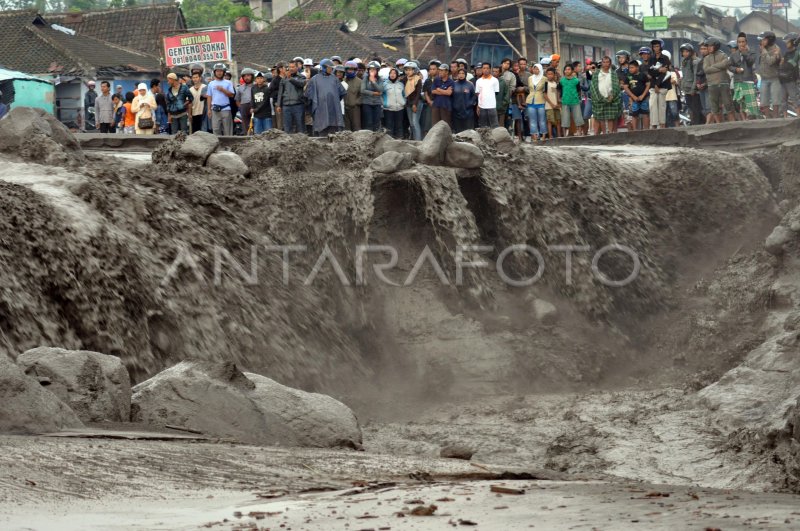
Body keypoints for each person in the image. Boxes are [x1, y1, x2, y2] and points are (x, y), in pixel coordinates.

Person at [307, 58, 346, 136]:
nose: (331, 69)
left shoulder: (334, 79)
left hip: (333, 109)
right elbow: (309, 96)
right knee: (322, 132)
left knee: (334, 132)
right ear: (324, 67)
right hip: (320, 109)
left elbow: (342, 92)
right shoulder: (314, 79)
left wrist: (333, 100)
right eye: (330, 67)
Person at [703, 37, 735, 123]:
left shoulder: (723, 55)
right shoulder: (706, 58)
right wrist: (719, 67)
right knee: (714, 108)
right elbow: (706, 70)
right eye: (708, 46)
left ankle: (733, 125)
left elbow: (725, 64)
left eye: (710, 46)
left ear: (716, 46)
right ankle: (719, 125)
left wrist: (712, 67)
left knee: (728, 105)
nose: (708, 48)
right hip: (711, 85)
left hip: (723, 83)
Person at [729, 33, 760, 120]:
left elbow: (750, 62)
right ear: (737, 43)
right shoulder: (733, 55)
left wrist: (744, 53)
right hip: (738, 81)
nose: (741, 44)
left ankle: (752, 121)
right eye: (739, 42)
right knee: (740, 104)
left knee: (751, 105)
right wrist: (736, 69)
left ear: (746, 43)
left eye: (743, 42)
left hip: (748, 81)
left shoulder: (752, 53)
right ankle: (744, 121)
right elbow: (729, 66)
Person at [590, 56, 622, 134]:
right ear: (601, 63)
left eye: (607, 62)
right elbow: (593, 87)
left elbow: (616, 86)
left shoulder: (613, 74)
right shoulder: (596, 73)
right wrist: (600, 98)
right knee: (600, 118)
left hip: (611, 98)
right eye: (604, 62)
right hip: (599, 99)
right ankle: (603, 134)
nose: (606, 64)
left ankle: (610, 133)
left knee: (611, 118)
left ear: (610, 63)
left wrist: (612, 96)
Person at [277, 61, 307, 134]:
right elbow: (280, 92)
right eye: (290, 67)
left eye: (293, 67)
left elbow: (301, 84)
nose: (291, 69)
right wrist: (278, 105)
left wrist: (290, 78)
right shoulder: (283, 79)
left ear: (297, 67)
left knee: (300, 127)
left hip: (298, 105)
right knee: (287, 128)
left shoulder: (301, 77)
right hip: (286, 106)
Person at [759, 30, 783, 118]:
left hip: (774, 78)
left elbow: (770, 62)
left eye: (764, 39)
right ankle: (768, 119)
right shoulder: (762, 48)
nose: (762, 41)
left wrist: (764, 51)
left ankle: (776, 118)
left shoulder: (776, 49)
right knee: (764, 100)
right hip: (764, 78)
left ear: (770, 40)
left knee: (775, 100)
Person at [623, 59, 650, 130]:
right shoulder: (628, 76)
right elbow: (625, 87)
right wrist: (633, 96)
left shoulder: (643, 75)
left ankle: (646, 130)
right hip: (634, 99)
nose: (630, 69)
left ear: (637, 67)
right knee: (634, 115)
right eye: (629, 68)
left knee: (645, 114)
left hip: (644, 98)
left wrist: (643, 95)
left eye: (632, 67)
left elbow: (648, 85)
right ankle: (635, 131)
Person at [680, 43, 703, 125]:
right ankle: (694, 123)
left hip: (693, 91)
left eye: (687, 51)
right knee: (690, 108)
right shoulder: (684, 62)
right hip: (686, 90)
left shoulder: (695, 62)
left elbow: (695, 76)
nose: (685, 53)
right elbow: (684, 76)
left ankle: (698, 125)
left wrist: (693, 89)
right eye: (683, 52)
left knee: (696, 108)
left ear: (691, 52)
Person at [382, 66, 406, 138]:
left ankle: (399, 140)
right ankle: (389, 141)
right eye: (391, 73)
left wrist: (403, 102)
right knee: (389, 126)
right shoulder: (384, 84)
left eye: (394, 73)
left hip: (399, 108)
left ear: (397, 75)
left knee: (399, 125)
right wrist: (384, 104)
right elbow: (380, 95)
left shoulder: (401, 84)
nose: (392, 75)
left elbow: (404, 95)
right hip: (388, 108)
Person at [649, 51, 672, 128]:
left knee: (662, 107)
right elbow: (651, 75)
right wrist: (655, 85)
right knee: (653, 107)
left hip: (662, 88)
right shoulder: (652, 63)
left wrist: (656, 85)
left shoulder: (667, 66)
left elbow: (664, 75)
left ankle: (662, 126)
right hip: (653, 88)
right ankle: (654, 125)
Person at [559, 64, 583, 135]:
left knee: (578, 117)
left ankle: (579, 133)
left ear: (572, 71)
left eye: (569, 69)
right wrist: (559, 99)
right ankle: (565, 135)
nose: (567, 71)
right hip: (565, 101)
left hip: (575, 101)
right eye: (566, 69)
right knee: (565, 119)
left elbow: (579, 91)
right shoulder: (562, 81)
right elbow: (559, 90)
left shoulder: (576, 80)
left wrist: (577, 98)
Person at [475, 62, 500, 129]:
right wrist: (478, 105)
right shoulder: (478, 81)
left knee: (494, 125)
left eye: (487, 68)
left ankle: (495, 139)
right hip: (482, 107)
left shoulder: (495, 80)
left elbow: (496, 93)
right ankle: (484, 139)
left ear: (490, 69)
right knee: (483, 126)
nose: (486, 70)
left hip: (492, 106)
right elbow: (478, 94)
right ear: (482, 69)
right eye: (484, 68)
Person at [360, 61, 384, 131]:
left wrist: (373, 82)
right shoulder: (365, 79)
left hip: (377, 103)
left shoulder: (380, 79)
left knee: (376, 122)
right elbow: (362, 90)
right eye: (370, 69)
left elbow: (381, 90)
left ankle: (376, 137)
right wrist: (373, 93)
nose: (372, 71)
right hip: (367, 103)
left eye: (374, 69)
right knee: (368, 122)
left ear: (377, 70)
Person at [780, 32, 799, 118]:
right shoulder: (787, 53)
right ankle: (785, 118)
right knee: (783, 100)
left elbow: (791, 64)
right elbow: (782, 64)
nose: (786, 44)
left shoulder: (797, 53)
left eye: (788, 42)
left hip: (792, 80)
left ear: (794, 42)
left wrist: (784, 64)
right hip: (784, 79)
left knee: (795, 100)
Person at [526, 63, 547, 142]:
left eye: (537, 69)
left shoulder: (544, 78)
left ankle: (543, 136)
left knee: (542, 120)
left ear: (540, 69)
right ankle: (534, 137)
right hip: (531, 101)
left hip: (541, 100)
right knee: (532, 120)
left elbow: (546, 90)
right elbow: (530, 88)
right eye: (534, 69)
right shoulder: (530, 78)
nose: (535, 70)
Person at [451, 68, 476, 133]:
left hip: (468, 112)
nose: (461, 75)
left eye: (463, 73)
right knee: (458, 131)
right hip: (456, 112)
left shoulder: (470, 84)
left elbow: (474, 96)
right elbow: (451, 96)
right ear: (457, 75)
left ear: (465, 75)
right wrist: (454, 105)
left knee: (468, 131)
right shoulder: (454, 84)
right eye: (459, 73)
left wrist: (470, 104)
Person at [404, 61, 423, 140]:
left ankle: (418, 141)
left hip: (417, 103)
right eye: (407, 70)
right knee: (411, 124)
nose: (408, 71)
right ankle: (413, 140)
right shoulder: (405, 79)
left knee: (415, 123)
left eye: (410, 69)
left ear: (414, 70)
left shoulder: (418, 79)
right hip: (408, 103)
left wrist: (415, 104)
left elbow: (418, 94)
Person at [343, 60, 362, 131]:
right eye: (348, 69)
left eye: (352, 70)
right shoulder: (342, 80)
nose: (350, 71)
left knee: (356, 128)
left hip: (355, 109)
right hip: (344, 108)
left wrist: (356, 102)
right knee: (346, 129)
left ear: (355, 70)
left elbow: (362, 95)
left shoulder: (359, 81)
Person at [422, 60, 439, 135]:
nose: (432, 71)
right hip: (429, 104)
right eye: (430, 69)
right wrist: (429, 101)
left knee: (437, 125)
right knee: (427, 125)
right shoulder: (427, 81)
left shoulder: (440, 80)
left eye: (433, 69)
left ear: (437, 70)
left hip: (439, 104)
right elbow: (425, 92)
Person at [236, 68, 255, 134]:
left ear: (252, 76)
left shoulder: (256, 86)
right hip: (244, 107)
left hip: (255, 107)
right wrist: (241, 108)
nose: (246, 78)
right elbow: (237, 100)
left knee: (255, 124)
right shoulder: (240, 88)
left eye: (248, 75)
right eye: (245, 76)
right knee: (245, 125)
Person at [543, 67, 561, 137]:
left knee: (558, 121)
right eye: (548, 74)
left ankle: (559, 136)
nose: (550, 75)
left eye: (551, 74)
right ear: (546, 75)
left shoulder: (556, 84)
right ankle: (550, 136)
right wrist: (551, 104)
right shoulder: (546, 83)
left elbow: (557, 94)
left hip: (556, 106)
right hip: (549, 106)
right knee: (549, 121)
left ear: (554, 75)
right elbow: (544, 95)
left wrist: (558, 103)